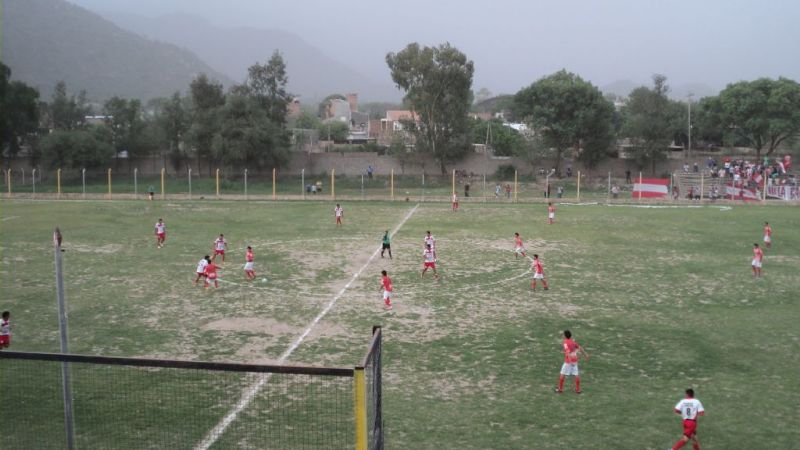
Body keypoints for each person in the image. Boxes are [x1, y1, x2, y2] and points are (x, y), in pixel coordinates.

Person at [555, 330, 588, 394]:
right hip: (575, 360)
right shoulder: (573, 342)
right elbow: (580, 348)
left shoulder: (565, 343)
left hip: (568, 361)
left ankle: (560, 389)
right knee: (576, 374)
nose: (562, 335)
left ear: (565, 336)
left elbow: (567, 352)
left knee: (562, 374)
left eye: (563, 334)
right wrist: (586, 355)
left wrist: (570, 361)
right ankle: (578, 390)